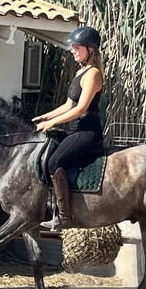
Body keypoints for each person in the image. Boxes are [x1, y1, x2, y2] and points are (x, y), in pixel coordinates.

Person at [32, 26, 105, 230]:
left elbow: (81, 108)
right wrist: (45, 116)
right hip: (75, 129)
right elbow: (68, 105)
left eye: (77, 47)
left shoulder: (93, 74)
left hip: (87, 131)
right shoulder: (80, 72)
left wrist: (52, 123)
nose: (73, 50)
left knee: (55, 161)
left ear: (90, 49)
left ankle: (64, 216)